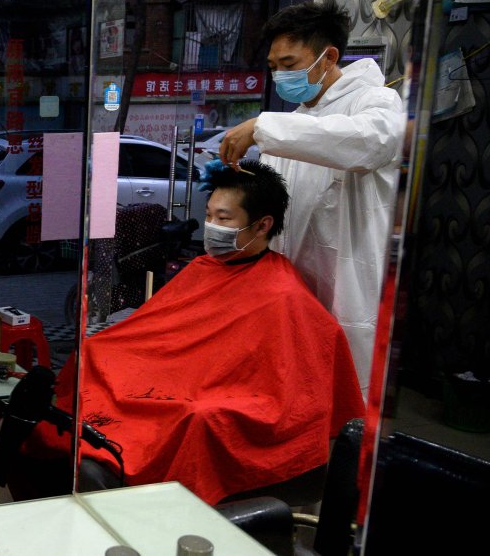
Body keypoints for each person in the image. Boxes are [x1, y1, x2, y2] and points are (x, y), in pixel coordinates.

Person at [24, 161, 364, 504]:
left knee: (197, 417)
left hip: (222, 395)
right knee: (95, 351)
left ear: (263, 225)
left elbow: (292, 381)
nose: (212, 227)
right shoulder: (203, 268)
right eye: (210, 215)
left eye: (225, 218)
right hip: (177, 377)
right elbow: (160, 330)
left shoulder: (284, 293)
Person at [218, 0, 406, 393]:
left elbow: (370, 142)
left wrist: (263, 126)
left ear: (328, 56)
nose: (280, 76)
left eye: (289, 65)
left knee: (344, 400)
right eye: (273, 68)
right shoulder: (296, 121)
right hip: (292, 287)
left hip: (348, 288)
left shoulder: (375, 102)